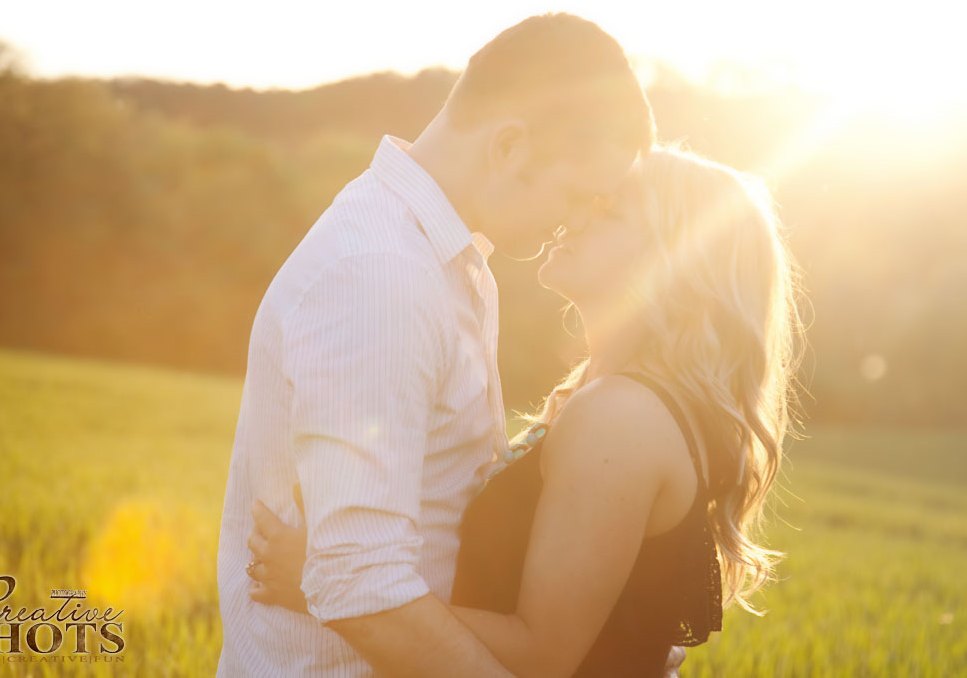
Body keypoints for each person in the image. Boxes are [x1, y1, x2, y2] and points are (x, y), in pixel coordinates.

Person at [247, 144, 805, 676]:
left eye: (607, 210)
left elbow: (542, 657)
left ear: (677, 258)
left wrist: (332, 589)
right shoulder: (610, 396)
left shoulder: (621, 417)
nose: (572, 218)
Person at [215, 12, 655, 677]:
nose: (575, 218)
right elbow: (361, 584)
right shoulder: (379, 274)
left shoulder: (452, 262)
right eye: (575, 192)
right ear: (508, 145)